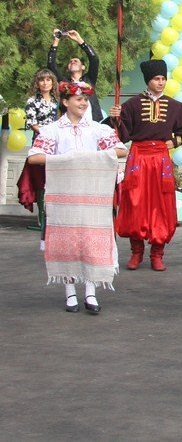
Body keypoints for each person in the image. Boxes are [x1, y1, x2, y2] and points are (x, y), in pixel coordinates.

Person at [27, 81, 126, 314]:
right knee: (69, 243)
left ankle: (90, 292)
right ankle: (70, 292)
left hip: (92, 195)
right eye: (78, 99)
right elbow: (34, 157)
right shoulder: (53, 129)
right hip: (65, 196)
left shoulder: (97, 129)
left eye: (85, 100)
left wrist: (92, 157)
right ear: (65, 101)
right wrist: (69, 159)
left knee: (90, 242)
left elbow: (121, 149)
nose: (83, 103)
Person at [109, 59, 182, 272]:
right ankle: (136, 252)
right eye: (157, 78)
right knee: (134, 202)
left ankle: (157, 253)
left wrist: (175, 141)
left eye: (163, 78)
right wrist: (115, 119)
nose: (161, 82)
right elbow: (120, 134)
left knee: (161, 204)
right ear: (148, 80)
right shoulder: (132, 105)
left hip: (161, 159)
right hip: (138, 157)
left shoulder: (174, 106)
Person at [18, 69, 60, 230]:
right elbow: (33, 123)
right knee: (40, 180)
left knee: (55, 180)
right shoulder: (32, 101)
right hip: (41, 141)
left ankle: (55, 218)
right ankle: (42, 219)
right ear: (37, 83)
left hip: (58, 142)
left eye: (48, 80)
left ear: (53, 82)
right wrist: (46, 133)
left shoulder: (58, 100)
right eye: (42, 80)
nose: (45, 83)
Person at [48, 28, 103, 122]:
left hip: (91, 124)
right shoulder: (64, 82)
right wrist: (56, 41)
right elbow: (51, 65)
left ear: (83, 67)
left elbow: (94, 59)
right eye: (70, 62)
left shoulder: (89, 79)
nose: (72, 62)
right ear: (68, 68)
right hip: (70, 125)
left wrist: (80, 40)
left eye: (76, 61)